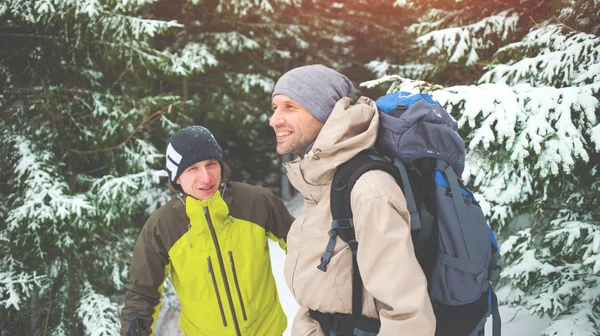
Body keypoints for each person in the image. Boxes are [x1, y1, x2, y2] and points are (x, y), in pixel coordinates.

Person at [269, 64, 436, 336]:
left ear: (323, 112)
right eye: (274, 108)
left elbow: (407, 315)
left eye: (289, 107)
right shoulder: (324, 179)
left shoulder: (367, 188)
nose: (274, 119)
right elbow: (324, 292)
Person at [120, 125, 295, 336]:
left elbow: (303, 247)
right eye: (192, 168)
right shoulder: (162, 227)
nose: (206, 178)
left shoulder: (256, 202)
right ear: (177, 177)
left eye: (211, 164)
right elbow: (142, 295)